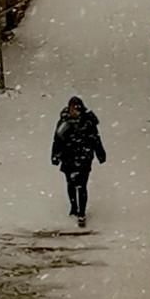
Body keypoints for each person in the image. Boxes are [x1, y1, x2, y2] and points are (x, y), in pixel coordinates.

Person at [51, 95, 106, 227]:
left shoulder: (88, 122)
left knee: (82, 185)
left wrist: (100, 153)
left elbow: (95, 139)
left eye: (76, 108)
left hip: (83, 157)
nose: (74, 111)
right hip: (68, 157)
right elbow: (57, 140)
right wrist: (55, 155)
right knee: (70, 184)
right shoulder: (64, 122)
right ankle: (74, 207)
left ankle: (81, 211)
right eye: (72, 108)